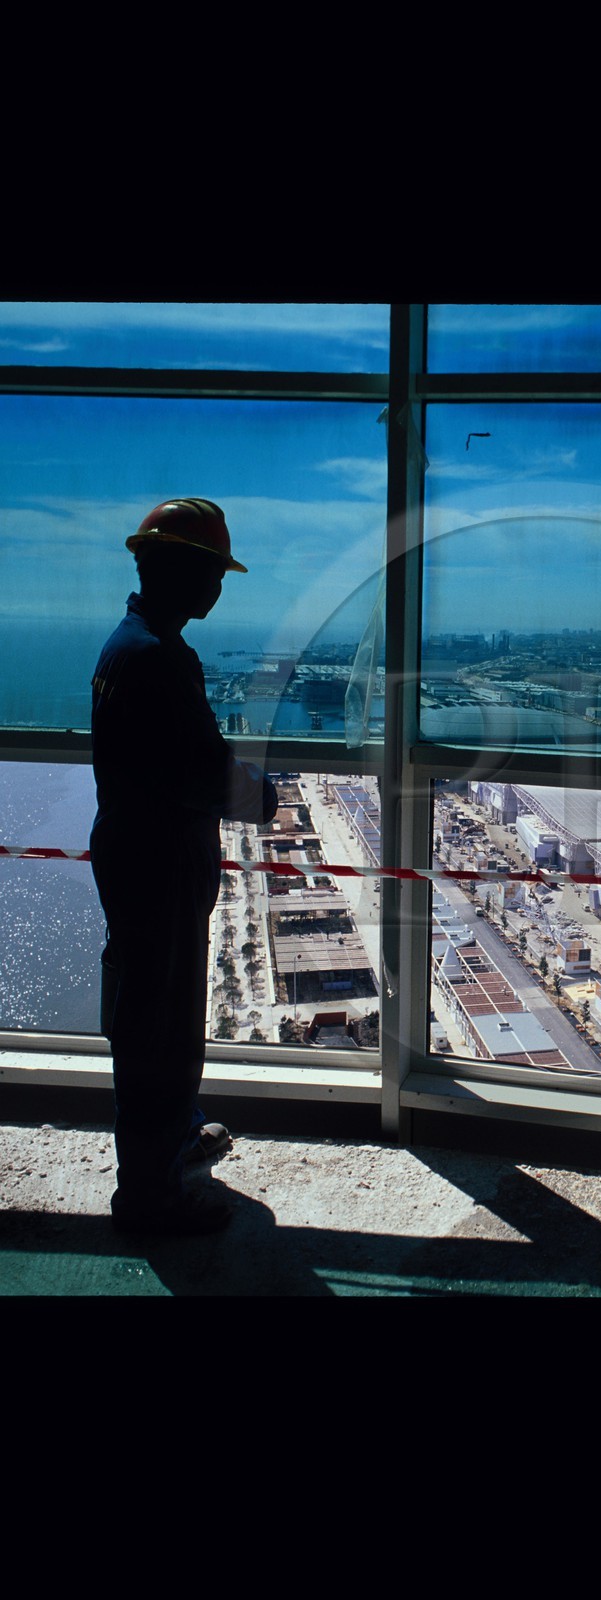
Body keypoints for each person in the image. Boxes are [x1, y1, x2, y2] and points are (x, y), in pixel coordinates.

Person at [90, 498, 277, 1234]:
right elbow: (198, 773)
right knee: (159, 1032)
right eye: (211, 572)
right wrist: (262, 796)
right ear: (172, 568)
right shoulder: (159, 658)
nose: (218, 588)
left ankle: (172, 1142)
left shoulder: (128, 646)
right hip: (159, 868)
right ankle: (151, 1198)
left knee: (151, 1016)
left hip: (139, 859)